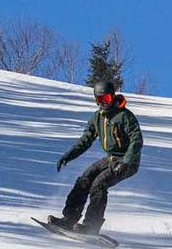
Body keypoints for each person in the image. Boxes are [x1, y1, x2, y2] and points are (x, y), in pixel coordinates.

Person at [46, 79, 143, 235]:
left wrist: (126, 161)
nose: (104, 103)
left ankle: (91, 225)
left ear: (112, 96)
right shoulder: (97, 117)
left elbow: (137, 140)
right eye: (100, 99)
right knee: (84, 180)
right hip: (111, 158)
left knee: (99, 184)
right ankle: (69, 218)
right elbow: (85, 140)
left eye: (107, 99)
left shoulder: (124, 116)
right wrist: (68, 156)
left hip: (128, 161)